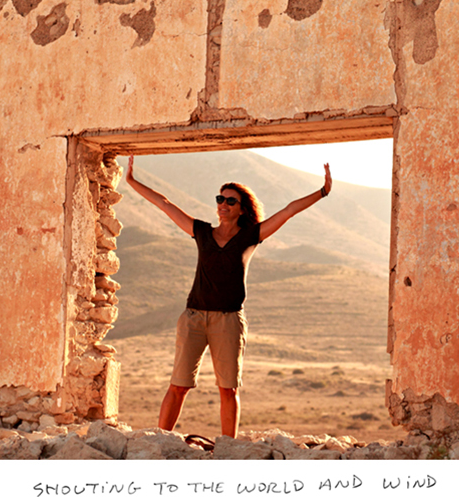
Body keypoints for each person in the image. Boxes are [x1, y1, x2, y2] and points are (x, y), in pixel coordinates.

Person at [125, 155, 332, 438]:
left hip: (229, 321)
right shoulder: (201, 232)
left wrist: (322, 192)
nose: (223, 205)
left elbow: (288, 211)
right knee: (178, 385)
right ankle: (160, 442)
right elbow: (164, 204)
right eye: (220, 199)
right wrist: (131, 181)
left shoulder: (251, 236)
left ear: (242, 209)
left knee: (228, 388)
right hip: (193, 318)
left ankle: (228, 448)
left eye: (230, 201)